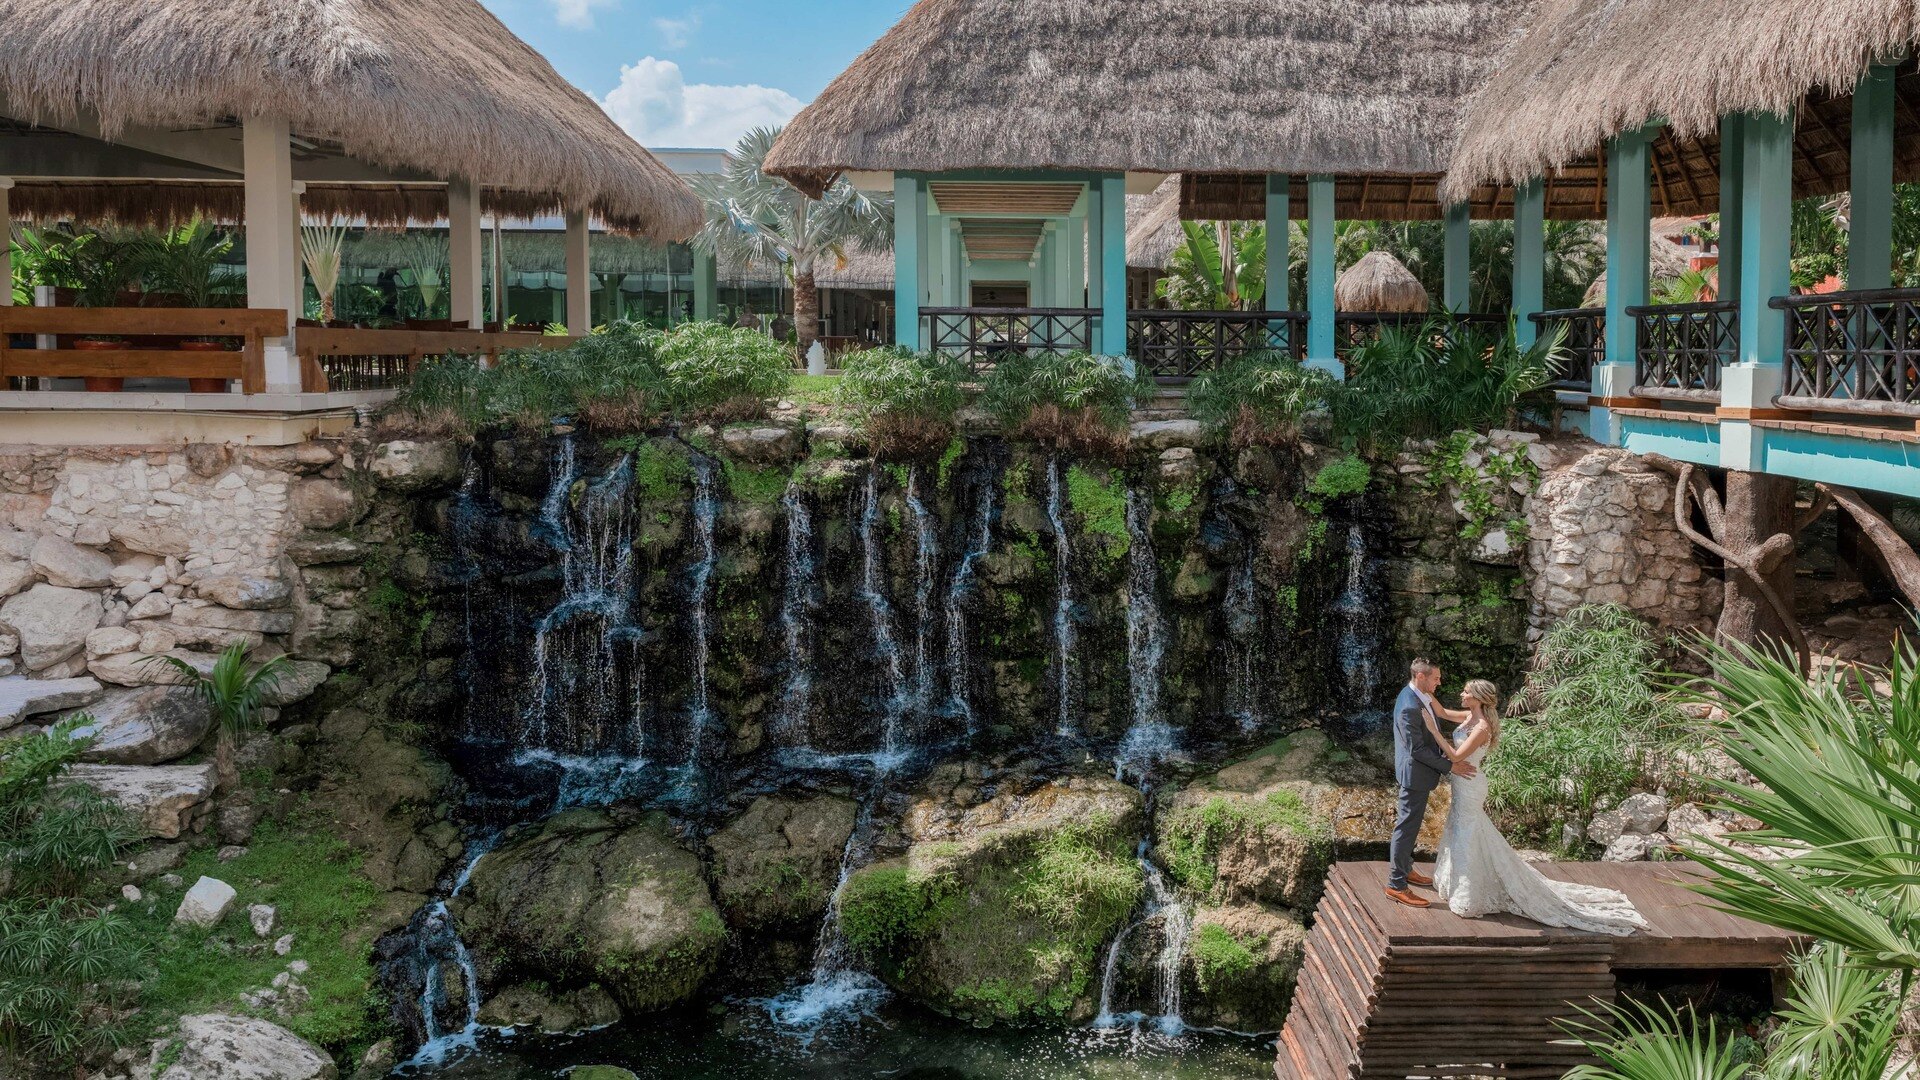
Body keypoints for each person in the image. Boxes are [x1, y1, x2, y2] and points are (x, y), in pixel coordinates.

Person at [1421, 679, 1648, 934]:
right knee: (1464, 831)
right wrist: (1424, 690)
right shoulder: (1468, 716)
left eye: (1466, 692)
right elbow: (1440, 712)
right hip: (1462, 784)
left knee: (1468, 833)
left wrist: (1434, 731)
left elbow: (1456, 757)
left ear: (1479, 698)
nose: (1461, 694)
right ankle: (1458, 883)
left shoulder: (1482, 727)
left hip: (1471, 784)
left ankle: (1469, 893)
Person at [1384, 659, 1471, 908]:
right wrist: (1450, 765)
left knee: (1409, 826)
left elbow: (1428, 733)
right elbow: (1417, 750)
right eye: (1436, 678)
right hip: (1414, 775)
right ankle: (1396, 885)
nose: (1439, 682)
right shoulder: (1409, 706)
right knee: (1406, 828)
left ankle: (1406, 868)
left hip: (1418, 773)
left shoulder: (1417, 695)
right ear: (1421, 676)